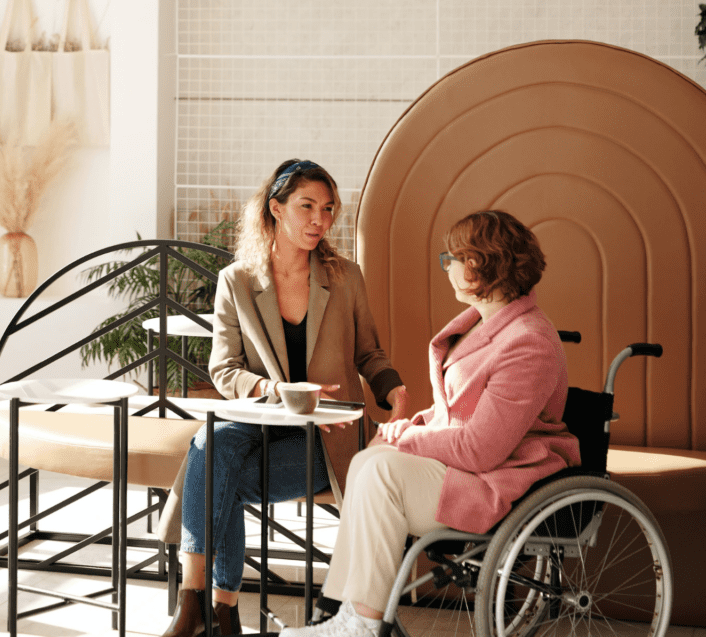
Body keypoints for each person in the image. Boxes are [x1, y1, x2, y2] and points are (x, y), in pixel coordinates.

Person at [279, 210, 581, 637]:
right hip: (472, 465)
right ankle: (348, 614)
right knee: (370, 460)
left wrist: (412, 436)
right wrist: (409, 429)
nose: (448, 267)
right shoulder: (484, 323)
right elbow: (457, 414)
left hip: (503, 479)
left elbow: (481, 449)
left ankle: (361, 622)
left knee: (381, 471)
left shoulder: (528, 342)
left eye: (455, 257)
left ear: (485, 263)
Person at [160, 159, 409, 637]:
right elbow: (224, 369)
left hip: (326, 436)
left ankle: (215, 613)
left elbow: (369, 352)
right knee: (213, 446)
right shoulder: (236, 281)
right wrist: (272, 389)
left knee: (215, 472)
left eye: (329, 209)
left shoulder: (344, 276)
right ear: (275, 208)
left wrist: (390, 386)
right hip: (258, 422)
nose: (320, 220)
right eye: (307, 206)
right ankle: (200, 606)